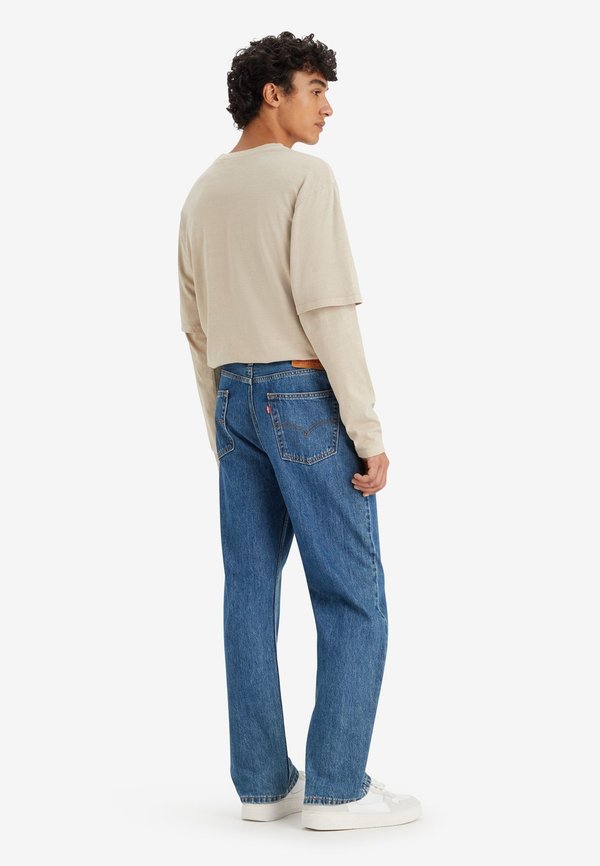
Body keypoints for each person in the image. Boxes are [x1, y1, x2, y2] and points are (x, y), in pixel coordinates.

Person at [178, 31, 421, 832]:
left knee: (248, 593)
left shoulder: (203, 192)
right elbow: (326, 307)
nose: (327, 107)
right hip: (304, 394)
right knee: (351, 592)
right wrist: (367, 429)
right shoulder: (304, 178)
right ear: (271, 94)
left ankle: (263, 785)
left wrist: (220, 428)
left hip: (234, 400)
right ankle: (338, 788)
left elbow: (196, 327)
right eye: (315, 88)